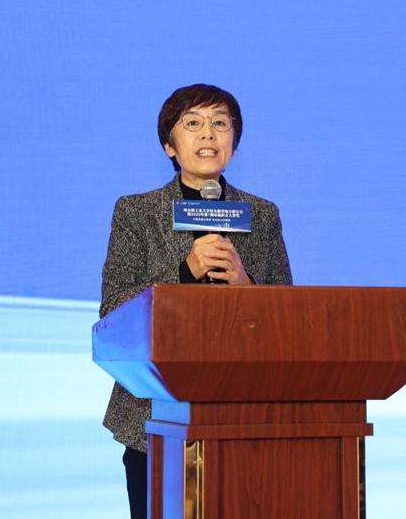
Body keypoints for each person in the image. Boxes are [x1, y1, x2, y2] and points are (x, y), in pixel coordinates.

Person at [98, 83, 293, 518]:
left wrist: (247, 286)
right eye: (193, 123)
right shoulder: (137, 213)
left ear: (234, 144)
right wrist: (184, 271)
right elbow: (113, 312)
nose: (208, 133)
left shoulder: (262, 215)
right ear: (170, 145)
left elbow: (290, 316)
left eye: (220, 123)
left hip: (246, 416)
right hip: (156, 417)